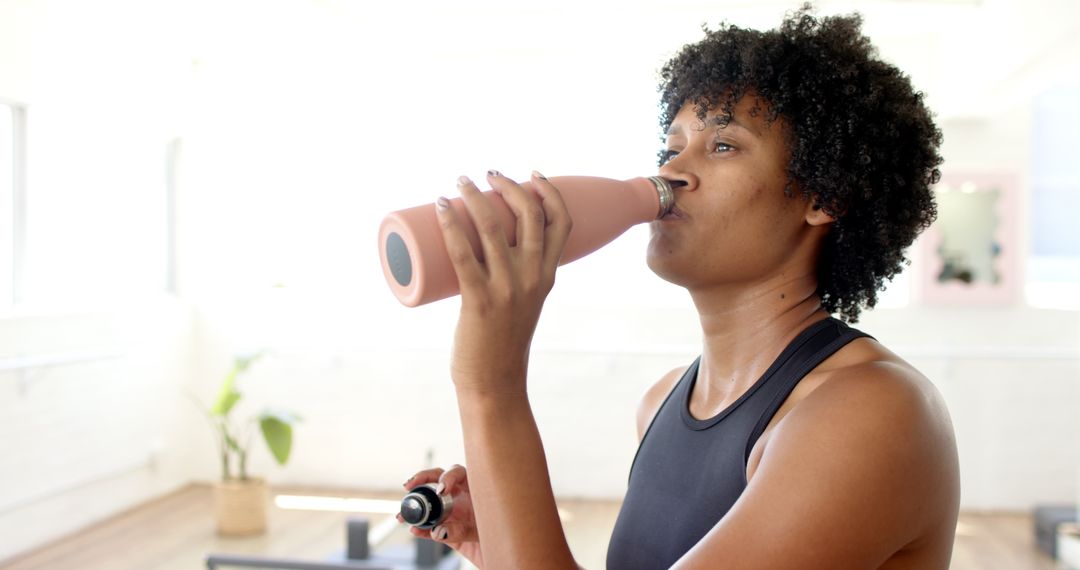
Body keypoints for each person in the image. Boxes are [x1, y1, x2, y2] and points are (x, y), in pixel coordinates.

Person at [396, 5, 960, 568]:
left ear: (823, 198)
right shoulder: (662, 401)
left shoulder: (874, 413)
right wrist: (494, 540)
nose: (672, 172)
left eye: (722, 146)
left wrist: (489, 387)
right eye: (671, 148)